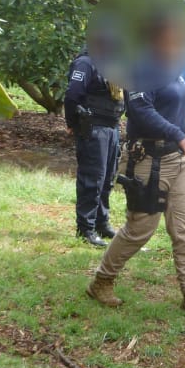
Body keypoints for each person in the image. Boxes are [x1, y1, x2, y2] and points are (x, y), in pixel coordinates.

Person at [87, 11, 185, 315]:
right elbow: (140, 110)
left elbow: (179, 104)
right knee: (140, 229)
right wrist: (177, 134)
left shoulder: (174, 68)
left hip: (182, 159)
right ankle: (101, 281)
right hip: (148, 159)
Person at [63, 45, 125, 247]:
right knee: (92, 179)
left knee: (107, 178)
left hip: (111, 127)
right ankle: (85, 228)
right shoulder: (86, 62)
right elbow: (72, 95)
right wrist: (73, 123)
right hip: (93, 128)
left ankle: (102, 223)